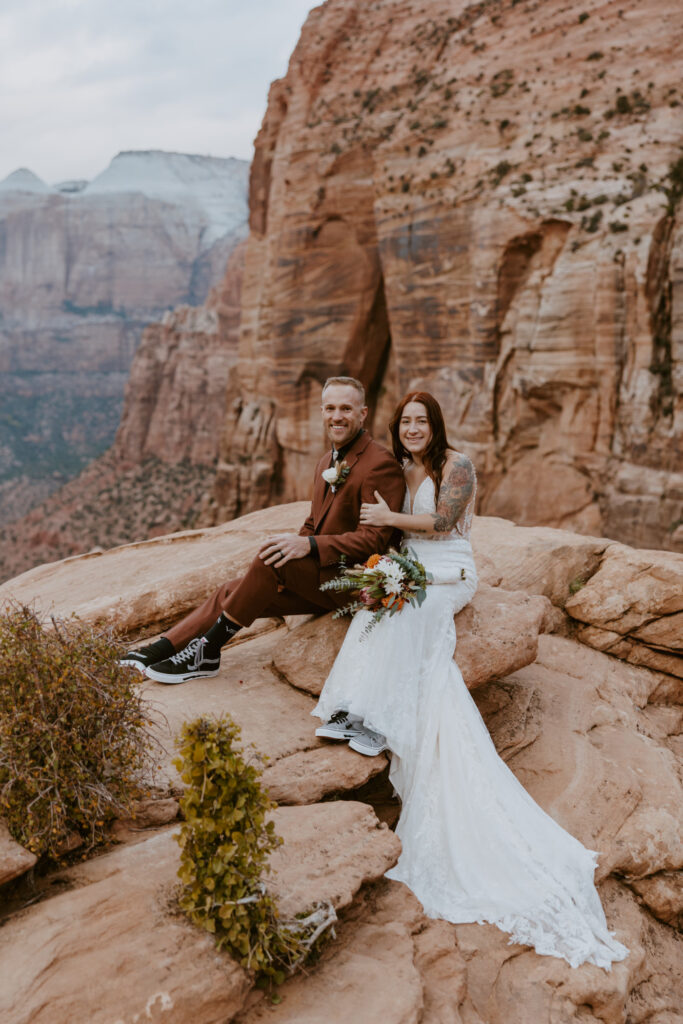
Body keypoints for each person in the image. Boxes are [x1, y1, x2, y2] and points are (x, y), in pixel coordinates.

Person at [313, 391, 629, 970]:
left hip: (450, 568)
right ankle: (353, 713)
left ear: (434, 425)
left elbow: (443, 521)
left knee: (408, 612)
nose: (412, 429)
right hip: (409, 565)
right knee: (374, 609)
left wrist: (386, 519)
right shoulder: (397, 467)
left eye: (420, 421)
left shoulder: (456, 464)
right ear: (397, 426)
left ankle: (377, 725)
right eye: (404, 421)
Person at [121, 377, 406, 690]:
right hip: (322, 577)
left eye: (346, 409)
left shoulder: (380, 464)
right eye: (330, 408)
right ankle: (159, 649)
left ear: (363, 413)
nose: (337, 416)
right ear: (322, 411)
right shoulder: (327, 460)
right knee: (232, 590)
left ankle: (207, 653)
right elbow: (314, 521)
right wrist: (297, 546)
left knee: (271, 562)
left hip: (351, 583)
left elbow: (373, 540)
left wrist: (307, 547)